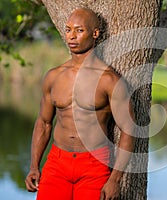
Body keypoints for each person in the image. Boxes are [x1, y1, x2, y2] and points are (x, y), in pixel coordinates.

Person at [25, 8, 135, 200]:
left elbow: (129, 129)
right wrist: (34, 166)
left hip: (93, 164)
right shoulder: (54, 76)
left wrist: (115, 180)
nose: (72, 36)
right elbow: (44, 123)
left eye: (79, 30)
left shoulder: (109, 80)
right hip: (57, 163)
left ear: (95, 34)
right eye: (68, 30)